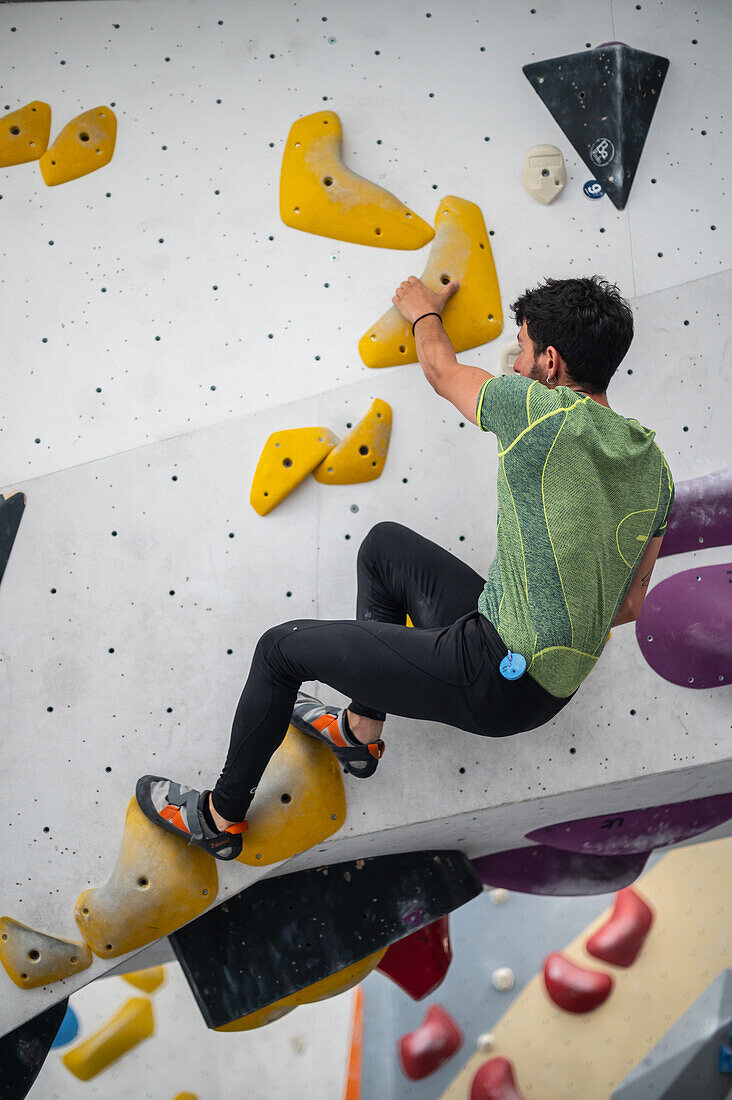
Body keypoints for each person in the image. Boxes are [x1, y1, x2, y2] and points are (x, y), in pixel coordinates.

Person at [136, 274, 674, 860]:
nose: (515, 365)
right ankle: (359, 733)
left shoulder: (540, 411)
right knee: (385, 547)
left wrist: (423, 312)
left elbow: (443, 372)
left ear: (550, 361)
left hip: (494, 673)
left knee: (278, 649)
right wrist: (547, 617)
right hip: (536, 677)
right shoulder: (653, 467)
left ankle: (218, 818)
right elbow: (630, 605)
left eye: (520, 349)